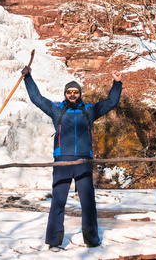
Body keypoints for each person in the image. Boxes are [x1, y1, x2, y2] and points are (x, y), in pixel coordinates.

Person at [21, 65, 122, 251]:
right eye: (69, 92)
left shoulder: (89, 110)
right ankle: (53, 241)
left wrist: (116, 83)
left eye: (76, 92)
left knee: (88, 201)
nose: (73, 95)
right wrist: (28, 78)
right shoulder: (56, 109)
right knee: (58, 201)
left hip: (84, 161)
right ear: (65, 94)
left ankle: (92, 240)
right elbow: (37, 99)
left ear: (80, 93)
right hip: (63, 161)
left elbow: (110, 103)